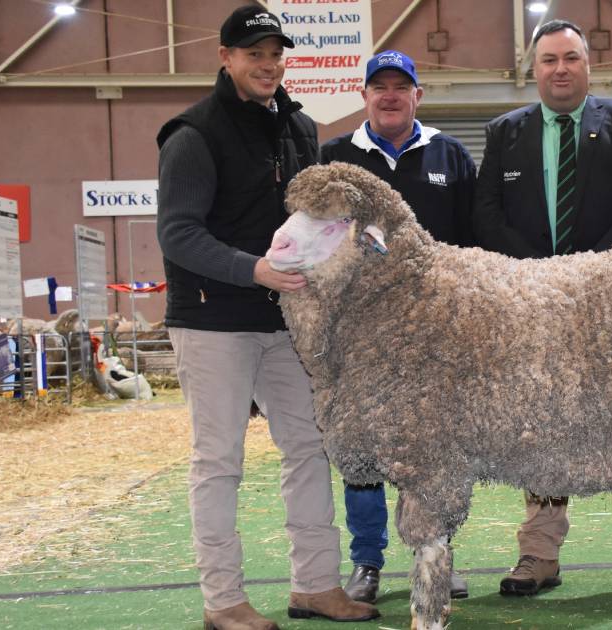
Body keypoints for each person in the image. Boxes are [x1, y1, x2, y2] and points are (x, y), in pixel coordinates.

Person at [156, 6, 379, 629]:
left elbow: (313, 219)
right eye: (254, 53)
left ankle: (314, 585)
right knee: (219, 461)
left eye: (276, 52)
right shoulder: (191, 135)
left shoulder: (299, 127)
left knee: (309, 448)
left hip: (286, 319)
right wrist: (251, 269)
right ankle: (223, 601)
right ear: (225, 57)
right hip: (211, 318)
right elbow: (177, 234)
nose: (268, 64)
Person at [473, 18, 612, 601]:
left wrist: (590, 268)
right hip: (535, 307)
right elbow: (486, 213)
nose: (560, 69)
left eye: (570, 58)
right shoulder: (505, 132)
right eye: (548, 60)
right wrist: (542, 274)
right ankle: (538, 552)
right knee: (539, 427)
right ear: (532, 70)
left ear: (589, 66)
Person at [319, 49, 475, 603]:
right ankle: (368, 560)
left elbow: (471, 238)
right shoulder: (336, 157)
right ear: (364, 95)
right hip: (362, 333)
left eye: (400, 86)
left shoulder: (450, 155)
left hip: (436, 332)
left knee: (437, 444)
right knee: (363, 448)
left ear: (418, 95)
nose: (389, 95)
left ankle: (438, 549)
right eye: (378, 86)